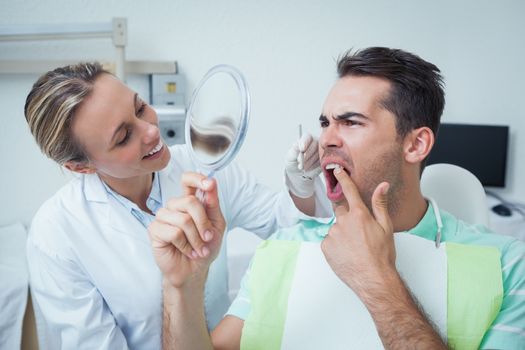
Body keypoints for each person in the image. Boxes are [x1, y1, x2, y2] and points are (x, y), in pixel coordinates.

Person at [152, 47, 525, 349]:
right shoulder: (282, 249)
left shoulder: (508, 267)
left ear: (416, 144)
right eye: (325, 122)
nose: (328, 139)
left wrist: (376, 279)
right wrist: (181, 286)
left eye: (351, 122)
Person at [24, 62, 331, 349]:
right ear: (82, 167)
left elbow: (292, 231)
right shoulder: (56, 235)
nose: (151, 130)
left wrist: (301, 184)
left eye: (140, 108)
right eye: (124, 136)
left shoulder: (205, 164)